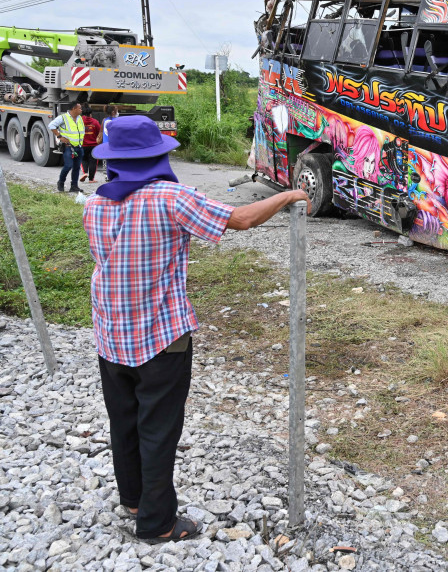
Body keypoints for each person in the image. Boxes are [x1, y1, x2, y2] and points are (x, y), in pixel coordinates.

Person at [83, 115, 309, 543]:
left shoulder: (96, 203)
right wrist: (291, 195)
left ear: (113, 160)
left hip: (111, 335)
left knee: (124, 421)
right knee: (158, 430)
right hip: (161, 338)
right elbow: (240, 219)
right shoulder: (170, 197)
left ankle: (133, 499)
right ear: (157, 156)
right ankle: (157, 524)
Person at [49, 102, 85, 193]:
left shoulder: (79, 118)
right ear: (74, 109)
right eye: (80, 108)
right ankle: (61, 182)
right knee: (68, 165)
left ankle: (74, 186)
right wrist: (59, 136)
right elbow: (51, 125)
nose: (81, 110)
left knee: (77, 167)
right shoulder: (63, 117)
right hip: (68, 146)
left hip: (79, 146)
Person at [80, 106, 103, 184]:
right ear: (90, 114)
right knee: (93, 161)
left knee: (83, 159)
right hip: (93, 145)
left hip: (83, 145)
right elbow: (99, 133)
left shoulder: (79, 121)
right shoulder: (95, 122)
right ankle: (91, 179)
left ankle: (85, 173)